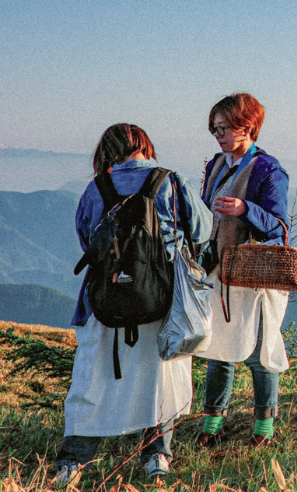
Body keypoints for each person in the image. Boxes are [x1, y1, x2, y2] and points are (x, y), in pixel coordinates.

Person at [55, 124, 212, 482]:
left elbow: (85, 238)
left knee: (92, 379)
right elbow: (202, 229)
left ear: (107, 151)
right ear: (145, 146)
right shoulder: (171, 182)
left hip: (105, 300)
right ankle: (156, 456)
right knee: (161, 378)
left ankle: (73, 461)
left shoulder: (97, 189)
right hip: (162, 298)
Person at [194, 93, 291, 448]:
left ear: (247, 126)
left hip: (255, 276)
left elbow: (279, 229)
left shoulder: (268, 169)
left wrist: (245, 208)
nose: (217, 134)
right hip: (220, 270)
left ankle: (264, 428)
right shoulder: (218, 165)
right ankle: (212, 424)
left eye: (224, 127)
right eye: (215, 128)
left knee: (258, 351)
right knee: (219, 349)